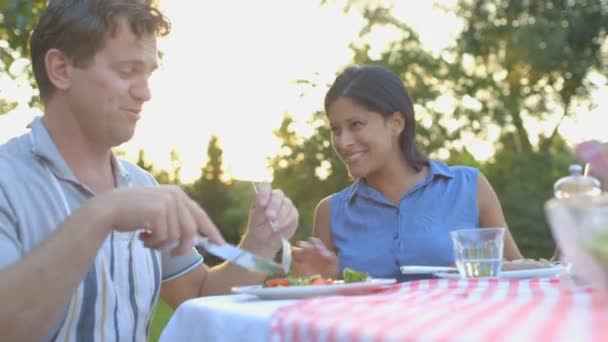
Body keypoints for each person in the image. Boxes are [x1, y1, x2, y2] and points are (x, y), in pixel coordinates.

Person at [0, 1, 298, 341]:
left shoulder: (142, 185)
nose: (145, 93)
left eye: (148, 74)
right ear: (61, 69)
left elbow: (199, 297)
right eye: (127, 72)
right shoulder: (6, 182)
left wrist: (258, 243)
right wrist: (101, 214)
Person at [291, 64, 522, 281]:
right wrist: (323, 277)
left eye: (356, 125)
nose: (343, 142)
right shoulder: (330, 212)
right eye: (336, 129)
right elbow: (319, 300)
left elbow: (523, 274)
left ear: (396, 123)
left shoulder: (468, 186)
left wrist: (483, 269)